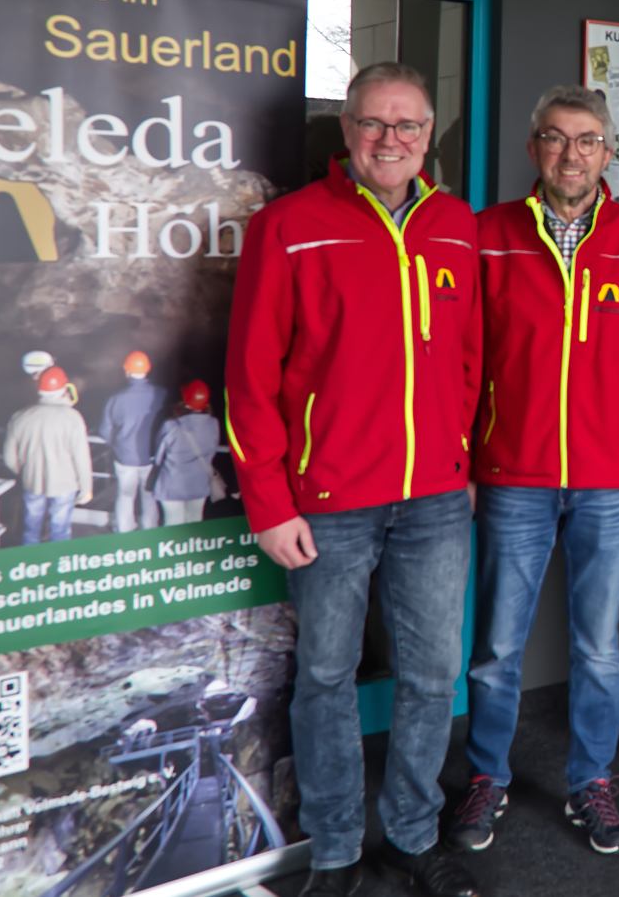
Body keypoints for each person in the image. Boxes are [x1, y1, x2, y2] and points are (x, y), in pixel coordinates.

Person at [226, 62, 482, 897]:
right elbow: (250, 377)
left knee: (432, 677)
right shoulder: (290, 226)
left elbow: (470, 360)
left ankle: (412, 835)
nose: (390, 139)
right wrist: (269, 502)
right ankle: (334, 850)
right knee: (327, 678)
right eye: (374, 122)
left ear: (428, 135)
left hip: (435, 501)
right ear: (347, 130)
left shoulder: (455, 226)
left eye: (408, 125)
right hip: (328, 502)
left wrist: (460, 459)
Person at [450, 85, 619, 857]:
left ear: (608, 152)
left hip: (610, 479)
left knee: (598, 649)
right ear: (534, 149)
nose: (571, 154)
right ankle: (486, 776)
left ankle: (591, 780)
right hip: (512, 474)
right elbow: (464, 359)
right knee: (497, 650)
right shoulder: (489, 234)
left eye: (587, 140)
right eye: (555, 138)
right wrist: (465, 460)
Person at [4, 365, 93, 545]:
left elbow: (9, 459)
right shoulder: (72, 417)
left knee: (31, 527)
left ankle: (30, 558)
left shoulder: (20, 416)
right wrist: (86, 488)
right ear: (65, 388)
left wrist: (25, 472)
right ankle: (57, 559)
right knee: (60, 529)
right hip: (65, 485)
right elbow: (81, 458)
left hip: (32, 482)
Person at [100, 350, 167, 533]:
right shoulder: (161, 394)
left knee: (125, 495)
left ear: (127, 371)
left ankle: (124, 530)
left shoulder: (116, 399)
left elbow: (105, 431)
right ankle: (150, 529)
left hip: (124, 457)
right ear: (148, 369)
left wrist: (118, 445)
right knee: (149, 495)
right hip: (152, 457)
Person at [154, 380, 220, 527]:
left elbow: (158, 458)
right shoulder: (213, 423)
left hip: (172, 485)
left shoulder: (171, 425)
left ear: (184, 401)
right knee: (195, 525)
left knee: (173, 525)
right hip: (199, 484)